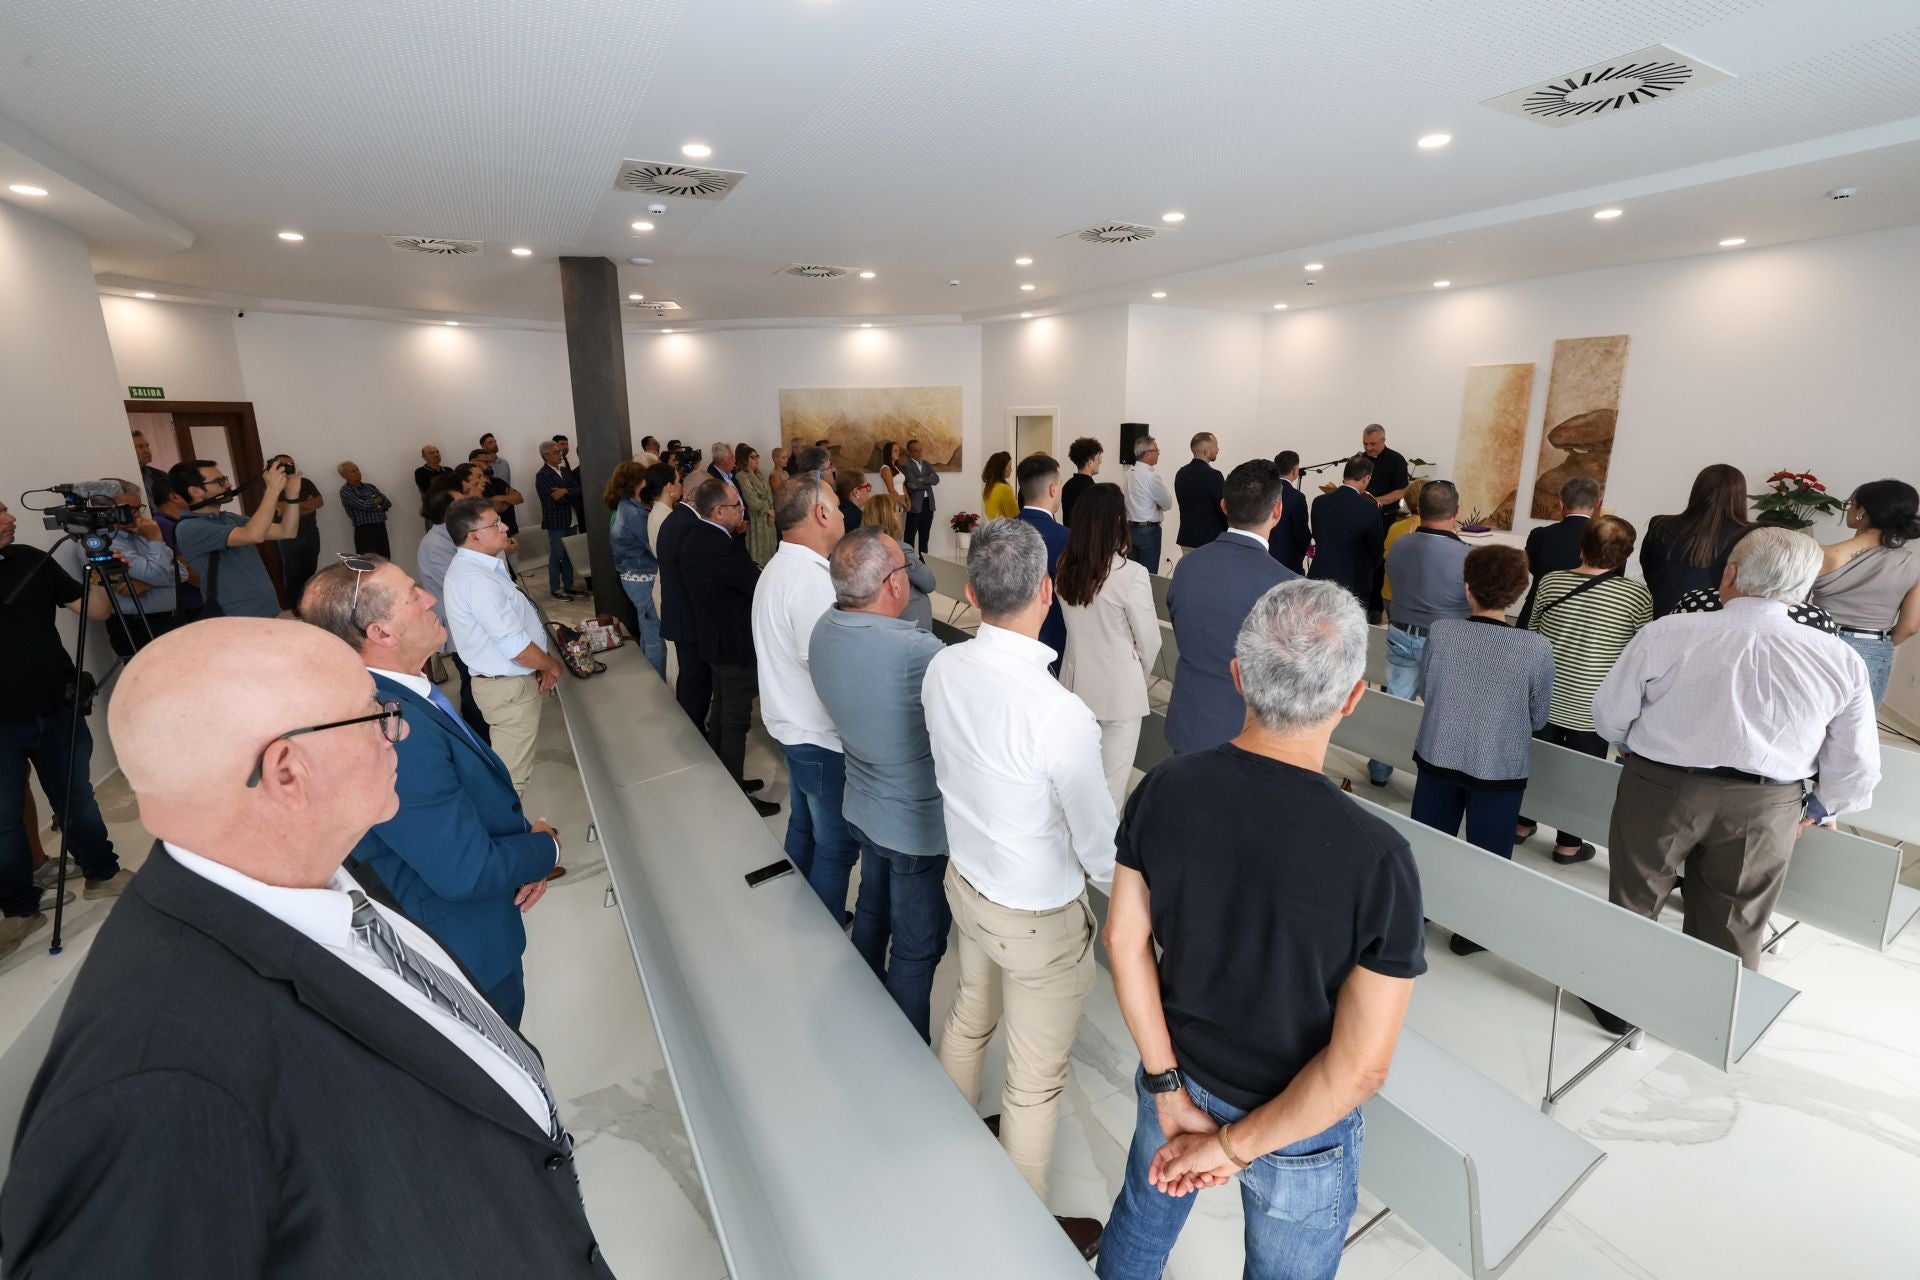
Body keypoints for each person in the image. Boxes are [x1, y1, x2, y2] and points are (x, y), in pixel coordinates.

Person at [0, 618, 611, 1277]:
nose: (401, 731)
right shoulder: (155, 1088)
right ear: (288, 772)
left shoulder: (322, 865)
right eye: (377, 715)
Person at [1095, 579, 1424, 1280]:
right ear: (1353, 697)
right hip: (1297, 1121)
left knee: (1139, 1229)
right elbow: (1361, 1067)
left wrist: (1167, 1085)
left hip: (1176, 1070)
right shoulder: (1379, 857)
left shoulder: (1166, 786)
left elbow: (1123, 940)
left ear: (1238, 676)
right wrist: (1233, 1149)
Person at [921, 518, 1114, 1259]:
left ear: (971, 594)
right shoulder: (1060, 714)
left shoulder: (943, 668)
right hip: (1036, 918)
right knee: (1033, 1085)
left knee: (970, 1015)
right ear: (1047, 592)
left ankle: (947, 1147)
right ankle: (1024, 1245)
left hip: (968, 884)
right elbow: (1099, 851)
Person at [1594, 527, 1880, 981]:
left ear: (1730, 574)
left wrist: (1630, 749)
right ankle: (1707, 1008)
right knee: (1734, 922)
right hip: (1767, 803)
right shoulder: (1839, 659)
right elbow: (1857, 761)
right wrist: (1823, 807)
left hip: (1659, 785)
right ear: (1804, 590)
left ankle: (1617, 998)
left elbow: (1610, 715)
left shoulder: (1666, 633)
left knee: (1635, 898)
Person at [301, 558, 559, 1027]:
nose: (430, 598)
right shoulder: (395, 729)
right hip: (461, 956)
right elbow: (465, 871)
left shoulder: (398, 694)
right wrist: (546, 848)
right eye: (413, 594)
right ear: (381, 632)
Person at [810, 529, 950, 1040]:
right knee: (916, 948)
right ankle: (906, 1060)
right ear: (893, 585)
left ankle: (864, 1021)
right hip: (913, 824)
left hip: (862, 805)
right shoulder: (916, 652)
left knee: (872, 911)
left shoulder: (825, 627)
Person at [0, 498, 133, 956]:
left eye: (6, 509)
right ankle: (19, 910)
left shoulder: (29, 559)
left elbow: (97, 610)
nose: (10, 518)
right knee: (3, 822)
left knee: (77, 798)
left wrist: (100, 569)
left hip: (57, 709)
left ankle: (102, 873)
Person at [1408, 546, 1553, 955]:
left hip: (1438, 753)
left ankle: (1419, 910)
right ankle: (1474, 930)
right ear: (1520, 591)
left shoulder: (1442, 632)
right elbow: (1538, 717)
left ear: (1468, 588)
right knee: (1490, 853)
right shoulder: (1536, 647)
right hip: (1500, 765)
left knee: (1429, 842)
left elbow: (1426, 690)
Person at [1517, 515, 1652, 865]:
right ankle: (1568, 844)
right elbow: (1643, 651)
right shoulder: (1636, 596)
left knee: (1536, 761)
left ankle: (1521, 822)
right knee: (1581, 774)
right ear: (1626, 554)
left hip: (1544, 699)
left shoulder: (1551, 582)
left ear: (1581, 547)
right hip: (1593, 709)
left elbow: (1531, 634)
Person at [753, 477, 853, 898]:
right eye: (838, 506)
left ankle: (796, 913)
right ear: (821, 514)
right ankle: (821, 930)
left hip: (793, 727)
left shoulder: (782, 567)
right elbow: (827, 670)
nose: (844, 514)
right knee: (835, 846)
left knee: (805, 826)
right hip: (817, 736)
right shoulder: (810, 581)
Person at [1165, 460, 1296, 754]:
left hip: (1188, 721)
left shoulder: (1188, 565)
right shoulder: (1289, 587)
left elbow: (1182, 629)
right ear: (1277, 511)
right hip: (1249, 737)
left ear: (1224, 506)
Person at [441, 498, 564, 798]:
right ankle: (511, 828)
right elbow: (516, 647)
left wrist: (538, 664)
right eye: (495, 524)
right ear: (473, 536)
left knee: (511, 773)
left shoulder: (482, 568)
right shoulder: (476, 579)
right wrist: (549, 664)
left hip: (510, 680)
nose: (505, 527)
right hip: (508, 688)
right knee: (512, 780)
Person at [1056, 483, 1160, 809]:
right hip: (1119, 691)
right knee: (1110, 792)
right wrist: (1136, 675)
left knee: (1077, 787)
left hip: (1075, 685)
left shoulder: (1065, 567)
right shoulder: (1132, 574)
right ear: (1118, 521)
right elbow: (1150, 641)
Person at [682, 479, 779, 814]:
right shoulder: (720, 545)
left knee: (723, 711)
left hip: (715, 639)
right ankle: (736, 795)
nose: (742, 510)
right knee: (735, 720)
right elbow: (754, 584)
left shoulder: (699, 536)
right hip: (733, 644)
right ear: (718, 511)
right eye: (736, 505)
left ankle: (728, 778)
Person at [1368, 479, 1470, 785]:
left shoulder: (1400, 544)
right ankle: (1434, 778)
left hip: (1400, 632)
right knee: (1441, 714)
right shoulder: (1467, 555)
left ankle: (1379, 770)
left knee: (1395, 707)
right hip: (1444, 640)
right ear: (1456, 511)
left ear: (1418, 509)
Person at [1812, 478, 1920, 705]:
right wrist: (1876, 643)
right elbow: (1910, 626)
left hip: (1819, 640)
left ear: (1861, 511)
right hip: (1873, 647)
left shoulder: (1822, 554)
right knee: (1857, 724)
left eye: (1850, 504)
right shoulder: (1914, 565)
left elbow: (1790, 604)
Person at [169, 457, 305, 619]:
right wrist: (272, 490)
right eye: (219, 481)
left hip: (269, 612)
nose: (228, 485)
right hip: (236, 619)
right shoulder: (189, 528)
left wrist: (292, 495)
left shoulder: (230, 519)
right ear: (195, 491)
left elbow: (286, 531)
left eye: (225, 479)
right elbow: (254, 535)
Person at [419, 476, 492, 744]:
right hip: (461, 626)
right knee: (472, 683)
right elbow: (465, 584)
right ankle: (477, 737)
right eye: (462, 500)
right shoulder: (436, 543)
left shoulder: (450, 536)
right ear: (448, 510)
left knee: (477, 679)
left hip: (470, 622)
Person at [1640, 463, 1754, 616]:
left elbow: (1650, 573)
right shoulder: (1752, 535)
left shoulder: (1660, 525)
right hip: (1718, 621)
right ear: (1739, 496)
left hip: (1663, 616)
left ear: (1698, 490)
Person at [96, 478, 191, 655]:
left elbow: (183, 573)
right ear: (104, 511)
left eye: (138, 508)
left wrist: (147, 583)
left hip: (172, 619)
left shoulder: (140, 535)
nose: (137, 515)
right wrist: (155, 539)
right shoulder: (103, 544)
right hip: (137, 625)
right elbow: (159, 574)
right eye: (129, 509)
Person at [610, 460, 676, 678]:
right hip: (642, 578)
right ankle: (659, 684)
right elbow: (655, 546)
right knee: (655, 635)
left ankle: (652, 677)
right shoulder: (635, 514)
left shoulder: (627, 506)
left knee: (649, 632)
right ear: (636, 484)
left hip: (635, 577)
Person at [655, 477, 711, 728]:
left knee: (691, 678)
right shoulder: (688, 525)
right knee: (694, 682)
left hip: (682, 614)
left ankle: (692, 728)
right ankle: (693, 733)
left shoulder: (678, 519)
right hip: (688, 617)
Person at [1516, 476, 1599, 628]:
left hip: (1538, 611)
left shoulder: (1540, 535)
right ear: (1597, 504)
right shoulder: (1602, 539)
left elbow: (1531, 567)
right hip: (1585, 617)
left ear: (1561, 503)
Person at [1306, 454, 1384, 608]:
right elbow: (1376, 551)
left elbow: (1318, 535)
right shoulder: (1369, 509)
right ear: (1366, 478)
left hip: (1319, 576)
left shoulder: (1319, 502)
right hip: (1352, 581)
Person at [1015, 453, 1070, 666]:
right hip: (1052, 638)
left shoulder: (1001, 532)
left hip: (1009, 637)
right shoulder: (1065, 538)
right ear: (1053, 490)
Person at [861, 491, 935, 629]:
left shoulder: (862, 549)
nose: (901, 514)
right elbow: (929, 583)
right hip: (910, 626)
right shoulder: (901, 550)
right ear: (891, 517)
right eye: (898, 510)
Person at [1360, 425, 1411, 619]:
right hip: (1361, 517)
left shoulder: (1396, 460)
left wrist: (1376, 501)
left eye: (1372, 444)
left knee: (1378, 562)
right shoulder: (1360, 459)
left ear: (1383, 441)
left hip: (1384, 518)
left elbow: (1401, 491)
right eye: (1365, 443)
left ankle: (1375, 608)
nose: (1368, 448)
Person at [532, 441, 581, 601]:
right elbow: (557, 498)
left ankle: (569, 585)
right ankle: (555, 588)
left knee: (569, 554)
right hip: (556, 521)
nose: (560, 454)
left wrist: (565, 491)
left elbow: (580, 489)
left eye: (560, 451)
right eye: (556, 452)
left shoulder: (565, 471)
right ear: (546, 455)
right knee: (557, 555)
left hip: (571, 518)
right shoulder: (542, 475)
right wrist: (570, 493)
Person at [279, 457, 326, 609]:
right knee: (292, 573)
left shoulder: (305, 482)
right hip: (288, 536)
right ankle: (295, 608)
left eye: (291, 463)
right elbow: (282, 509)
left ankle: (308, 606)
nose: (289, 466)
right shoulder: (275, 487)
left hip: (311, 533)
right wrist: (307, 505)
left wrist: (294, 506)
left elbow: (319, 502)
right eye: (285, 464)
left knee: (310, 570)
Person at [1123, 436, 1173, 572]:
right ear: (1147, 454)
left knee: (1132, 573)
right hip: (1149, 531)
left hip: (1130, 529)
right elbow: (1168, 503)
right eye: (1157, 450)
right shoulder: (1151, 477)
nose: (1159, 454)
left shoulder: (1128, 474)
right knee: (1149, 574)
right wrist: (1157, 504)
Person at [1173, 432, 1226, 553]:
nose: (1218, 449)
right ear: (1206, 452)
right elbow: (1222, 508)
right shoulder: (1214, 475)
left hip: (1186, 537)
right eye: (1216, 446)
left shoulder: (1181, 473)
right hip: (1209, 540)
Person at [1266, 449, 1311, 574]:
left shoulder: (1264, 491)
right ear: (1295, 470)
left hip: (1263, 555)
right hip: (1288, 560)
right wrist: (1305, 548)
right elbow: (1301, 531)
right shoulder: (1297, 497)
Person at [336, 461, 393, 558]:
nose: (357, 472)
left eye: (357, 470)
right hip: (365, 531)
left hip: (381, 527)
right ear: (344, 476)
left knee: (385, 559)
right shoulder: (346, 491)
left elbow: (387, 503)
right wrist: (377, 503)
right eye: (353, 471)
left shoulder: (370, 487)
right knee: (368, 561)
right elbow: (364, 505)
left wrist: (375, 504)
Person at [736, 443, 777, 567]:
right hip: (756, 519)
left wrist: (772, 512)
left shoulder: (759, 474)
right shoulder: (742, 477)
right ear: (745, 460)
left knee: (770, 551)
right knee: (758, 554)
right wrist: (768, 510)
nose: (756, 459)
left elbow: (769, 495)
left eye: (757, 456)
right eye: (752, 457)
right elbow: (752, 501)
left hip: (768, 518)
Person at [472, 447, 523, 538]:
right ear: (473, 463)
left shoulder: (498, 481)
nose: (490, 465)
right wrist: (509, 500)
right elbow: (493, 508)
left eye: (490, 462)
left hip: (510, 530)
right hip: (492, 534)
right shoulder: (475, 486)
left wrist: (501, 499)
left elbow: (519, 498)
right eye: (486, 462)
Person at [901, 437, 940, 556]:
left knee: (924, 537)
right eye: (916, 451)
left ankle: (923, 563)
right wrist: (928, 480)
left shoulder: (926, 464)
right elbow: (912, 485)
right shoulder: (907, 466)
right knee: (910, 537)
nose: (920, 453)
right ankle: (909, 562)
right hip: (915, 506)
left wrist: (923, 479)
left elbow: (936, 479)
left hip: (929, 504)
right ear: (910, 452)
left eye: (920, 450)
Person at [1062, 436, 1103, 526]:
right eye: (1098, 458)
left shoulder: (1068, 485)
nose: (1100, 462)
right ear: (1090, 462)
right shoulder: (1092, 489)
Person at [131, 428, 169, 510]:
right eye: (140, 447)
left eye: (147, 446)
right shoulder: (125, 478)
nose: (147, 451)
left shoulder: (161, 476)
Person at [980, 450, 1019, 521]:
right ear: (1001, 469)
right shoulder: (1004, 489)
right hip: (1006, 527)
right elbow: (1015, 515)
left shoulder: (988, 488)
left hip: (993, 527)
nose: (1011, 470)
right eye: (1009, 467)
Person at [836, 469, 873, 535]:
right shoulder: (857, 518)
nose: (868, 491)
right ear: (856, 492)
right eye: (867, 486)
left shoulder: (836, 507)